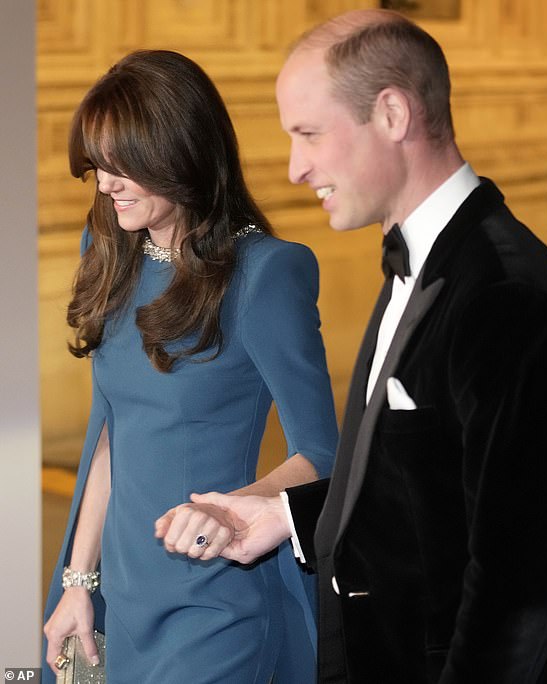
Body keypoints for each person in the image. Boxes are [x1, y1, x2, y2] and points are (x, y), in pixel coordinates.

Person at [156, 10, 547, 683]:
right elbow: (425, 487)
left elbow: (518, 589)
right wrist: (287, 513)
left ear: (393, 114)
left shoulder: (506, 296)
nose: (294, 168)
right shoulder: (423, 259)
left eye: (308, 133)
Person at [42, 49, 338, 684]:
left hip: (214, 598)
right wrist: (78, 583)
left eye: (123, 167)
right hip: (122, 594)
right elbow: (109, 433)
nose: (105, 185)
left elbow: (322, 452)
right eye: (97, 165)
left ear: (180, 154)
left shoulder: (265, 275)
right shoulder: (108, 249)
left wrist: (233, 508)